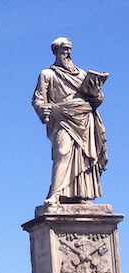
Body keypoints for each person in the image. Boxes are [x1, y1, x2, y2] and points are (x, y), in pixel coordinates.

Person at [32, 37, 108, 205]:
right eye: (65, 49)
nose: (68, 53)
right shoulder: (48, 74)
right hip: (62, 117)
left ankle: (80, 193)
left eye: (70, 49)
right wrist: (43, 109)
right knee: (62, 151)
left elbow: (97, 99)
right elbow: (38, 99)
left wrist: (96, 93)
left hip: (85, 119)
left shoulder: (81, 74)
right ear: (56, 51)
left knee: (83, 156)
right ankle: (56, 193)